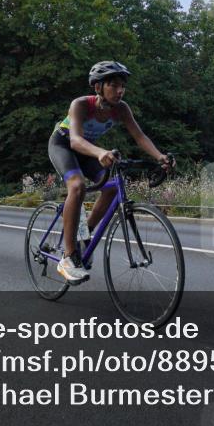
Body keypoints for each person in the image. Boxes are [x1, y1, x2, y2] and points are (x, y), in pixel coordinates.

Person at [47, 61, 173, 284]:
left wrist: (159, 156)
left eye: (122, 86)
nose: (120, 90)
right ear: (98, 87)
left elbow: (139, 136)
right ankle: (68, 257)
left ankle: (84, 236)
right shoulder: (81, 105)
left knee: (113, 187)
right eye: (113, 85)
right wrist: (100, 152)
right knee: (77, 186)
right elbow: (75, 140)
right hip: (64, 144)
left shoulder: (121, 109)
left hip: (88, 150)